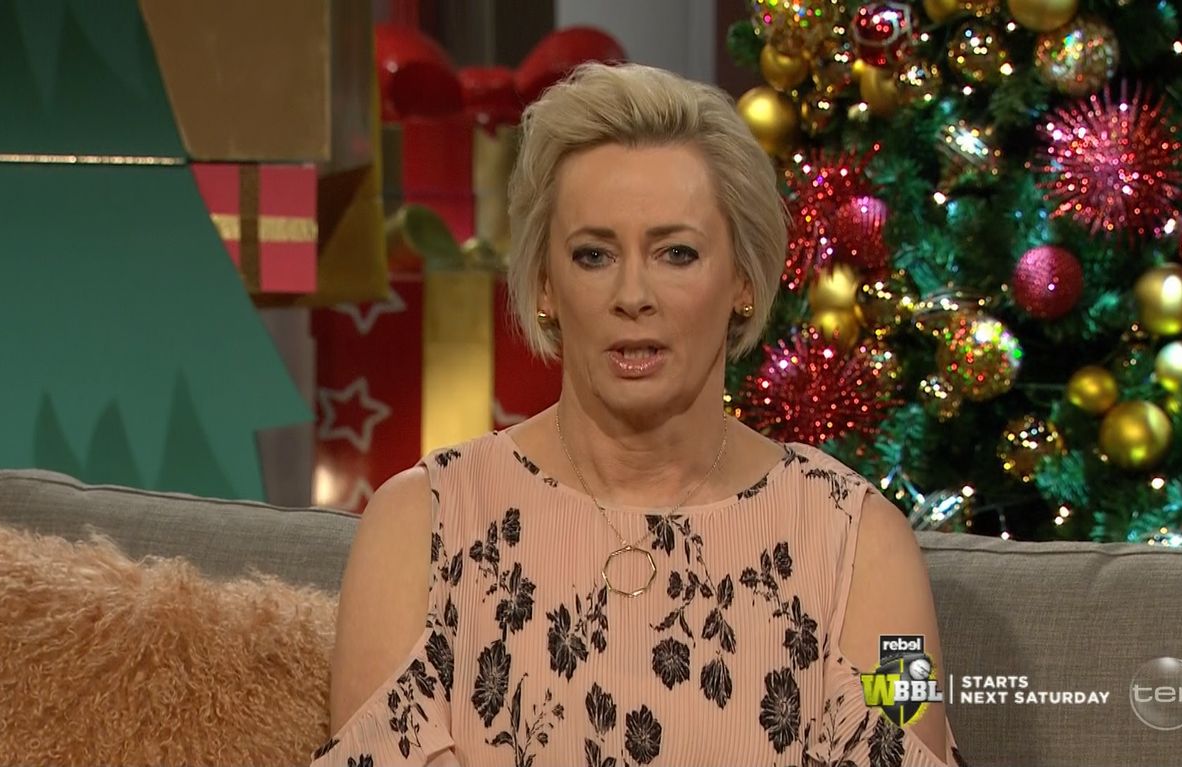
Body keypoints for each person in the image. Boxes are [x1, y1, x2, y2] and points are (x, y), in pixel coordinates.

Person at [310, 61, 967, 767]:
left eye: (676, 253)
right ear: (545, 285)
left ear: (743, 280)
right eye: (593, 255)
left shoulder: (862, 541)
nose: (632, 295)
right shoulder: (419, 523)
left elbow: (906, 744)